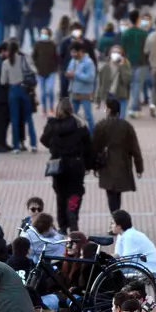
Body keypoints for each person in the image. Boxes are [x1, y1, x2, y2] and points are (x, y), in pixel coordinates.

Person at [40, 98, 95, 234]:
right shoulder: (79, 125)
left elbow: (43, 139)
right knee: (76, 192)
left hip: (58, 165)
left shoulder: (52, 125)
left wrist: (54, 147)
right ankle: (73, 216)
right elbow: (88, 146)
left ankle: (63, 226)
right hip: (76, 164)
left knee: (61, 195)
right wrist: (88, 164)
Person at [91, 99, 144, 214]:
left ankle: (115, 219)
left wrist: (94, 166)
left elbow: (94, 148)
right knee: (117, 193)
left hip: (106, 165)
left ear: (109, 110)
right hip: (122, 165)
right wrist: (139, 167)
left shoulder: (101, 126)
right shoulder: (126, 126)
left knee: (111, 193)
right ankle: (116, 218)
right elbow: (135, 149)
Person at [0, 40, 38, 153]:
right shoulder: (23, 59)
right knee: (29, 118)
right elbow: (32, 71)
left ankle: (16, 146)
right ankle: (33, 144)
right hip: (24, 89)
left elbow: (2, 81)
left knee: (14, 119)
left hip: (12, 90)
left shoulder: (5, 63)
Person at [111, 209, 156, 279]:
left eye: (113, 223)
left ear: (119, 226)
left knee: (112, 271)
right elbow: (118, 254)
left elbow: (126, 259)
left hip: (150, 269)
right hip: (141, 266)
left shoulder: (129, 236)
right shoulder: (122, 234)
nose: (111, 226)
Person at [121, 10, 150, 118]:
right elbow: (147, 49)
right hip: (141, 62)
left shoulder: (125, 33)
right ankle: (134, 108)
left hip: (128, 62)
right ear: (138, 19)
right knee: (137, 85)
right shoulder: (143, 34)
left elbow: (122, 49)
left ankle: (135, 107)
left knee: (130, 85)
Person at [66, 41, 96, 132]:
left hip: (85, 93)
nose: (72, 54)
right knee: (72, 115)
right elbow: (69, 70)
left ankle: (92, 134)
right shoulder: (73, 61)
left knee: (88, 116)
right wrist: (68, 74)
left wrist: (75, 75)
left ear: (81, 51)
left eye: (74, 52)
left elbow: (90, 78)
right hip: (74, 91)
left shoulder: (88, 62)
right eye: (71, 52)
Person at [95, 45, 132, 117]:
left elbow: (127, 80)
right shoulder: (105, 66)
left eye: (118, 52)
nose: (116, 54)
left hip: (121, 95)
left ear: (122, 55)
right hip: (110, 96)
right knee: (110, 118)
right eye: (114, 52)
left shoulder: (126, 64)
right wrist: (98, 99)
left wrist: (122, 66)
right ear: (110, 54)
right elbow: (100, 83)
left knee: (121, 117)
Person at [32, 27, 60, 116]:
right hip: (40, 72)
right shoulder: (37, 44)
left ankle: (51, 107)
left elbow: (56, 57)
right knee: (43, 93)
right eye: (42, 33)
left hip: (51, 71)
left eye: (45, 33)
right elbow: (34, 56)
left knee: (50, 90)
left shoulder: (52, 44)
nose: (43, 35)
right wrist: (36, 66)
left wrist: (56, 67)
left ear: (49, 35)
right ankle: (44, 108)